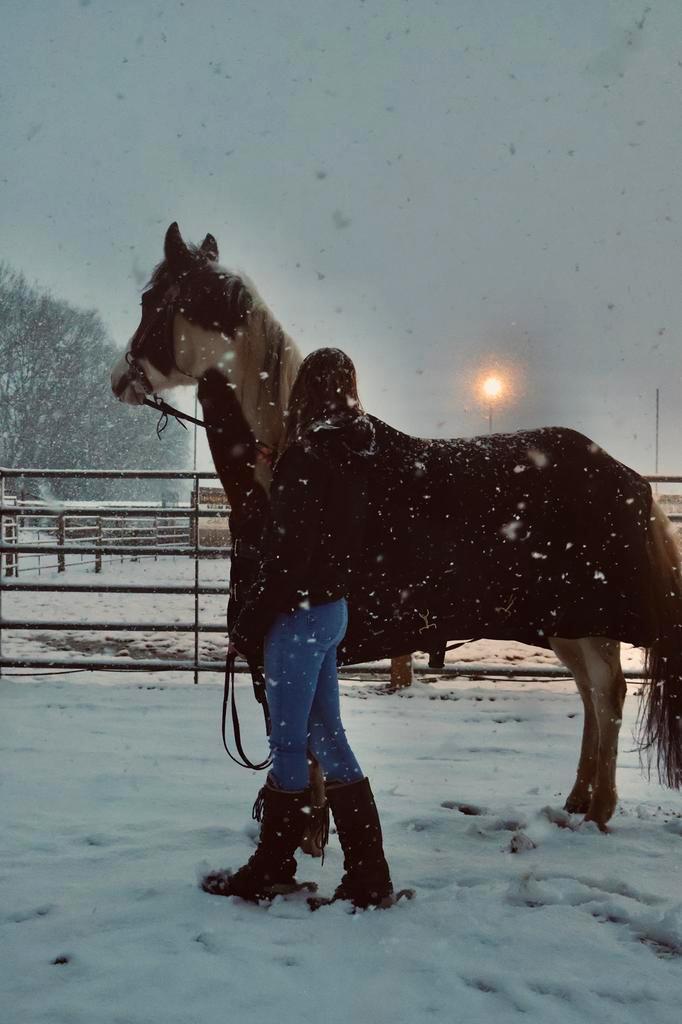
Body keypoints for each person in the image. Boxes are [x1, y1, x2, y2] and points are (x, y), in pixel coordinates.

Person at [201, 347, 396, 909]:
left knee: (289, 744)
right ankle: (369, 873)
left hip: (298, 615)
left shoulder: (308, 457)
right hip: (331, 611)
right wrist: (284, 469)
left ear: (305, 391)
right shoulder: (356, 452)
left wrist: (247, 625)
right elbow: (326, 530)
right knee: (327, 737)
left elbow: (288, 557)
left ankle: (272, 868)